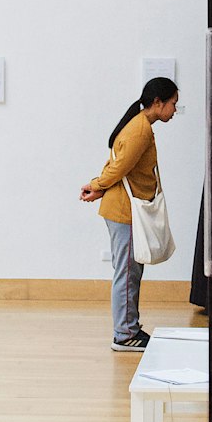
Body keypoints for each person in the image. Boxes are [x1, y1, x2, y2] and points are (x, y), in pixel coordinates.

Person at [80, 77, 179, 351]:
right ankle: (124, 334)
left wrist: (98, 187)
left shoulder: (139, 124)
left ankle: (130, 328)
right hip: (124, 211)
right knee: (126, 273)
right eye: (173, 104)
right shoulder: (140, 130)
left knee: (130, 272)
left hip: (125, 208)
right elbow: (120, 167)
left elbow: (117, 164)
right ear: (157, 103)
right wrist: (97, 186)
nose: (174, 110)